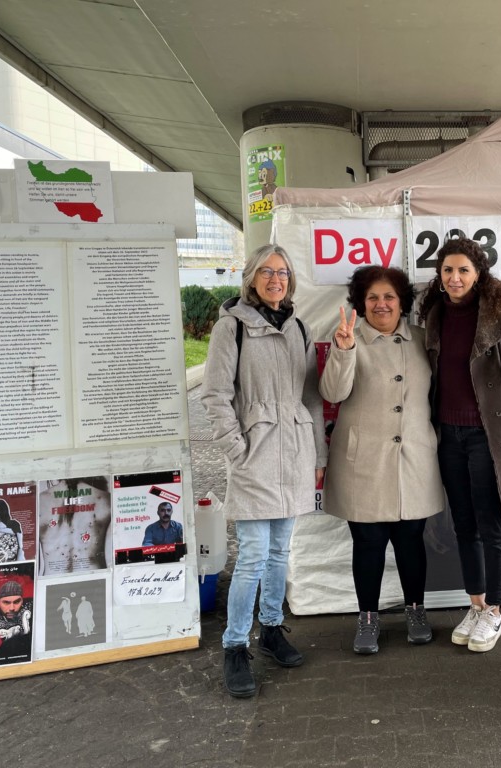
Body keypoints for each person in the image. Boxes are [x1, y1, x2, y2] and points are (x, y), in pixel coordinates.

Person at [202, 243, 327, 698]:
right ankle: (235, 645)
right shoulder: (230, 327)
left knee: (280, 553)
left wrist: (318, 458)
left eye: (284, 273)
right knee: (253, 556)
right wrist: (238, 450)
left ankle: (272, 628)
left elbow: (311, 398)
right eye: (267, 272)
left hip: (293, 453)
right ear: (251, 277)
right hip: (255, 456)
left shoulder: (298, 327)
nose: (276, 279)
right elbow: (215, 396)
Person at [418, 238, 501, 653]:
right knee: (463, 525)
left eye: (463, 270)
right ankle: (475, 604)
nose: (454, 278)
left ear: (478, 274)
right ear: (440, 275)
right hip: (448, 436)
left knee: (491, 525)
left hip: (489, 437)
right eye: (448, 270)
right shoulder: (432, 315)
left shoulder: (498, 317)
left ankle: (495, 611)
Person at [320, 266, 444, 654]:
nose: (381, 304)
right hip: (364, 461)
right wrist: (343, 352)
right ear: (361, 302)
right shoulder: (348, 339)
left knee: (411, 538)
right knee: (369, 541)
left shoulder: (424, 340)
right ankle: (368, 618)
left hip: (413, 457)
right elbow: (332, 392)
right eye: (372, 297)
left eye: (389, 296)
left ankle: (416, 610)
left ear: (402, 301)